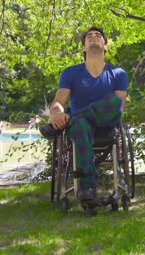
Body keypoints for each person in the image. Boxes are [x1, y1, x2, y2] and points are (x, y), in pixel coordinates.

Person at [49, 27, 128, 201]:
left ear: (105, 46)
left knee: (114, 101)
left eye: (98, 35)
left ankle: (76, 117)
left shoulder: (118, 73)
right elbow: (58, 103)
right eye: (89, 36)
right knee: (79, 125)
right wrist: (56, 114)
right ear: (84, 48)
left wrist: (72, 117)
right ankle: (87, 187)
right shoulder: (70, 73)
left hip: (107, 125)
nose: (94, 37)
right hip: (81, 130)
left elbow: (119, 107)